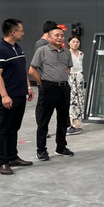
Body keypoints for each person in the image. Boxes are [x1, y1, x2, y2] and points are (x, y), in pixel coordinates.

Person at [0, 19, 34, 175]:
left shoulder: (17, 48)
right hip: (8, 97)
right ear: (13, 32)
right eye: (21, 31)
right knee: (4, 129)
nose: (23, 33)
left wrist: (28, 87)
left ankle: (12, 157)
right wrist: (4, 96)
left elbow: (21, 69)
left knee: (14, 127)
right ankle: (2, 162)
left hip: (20, 94)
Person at [29, 25, 74, 160]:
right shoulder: (42, 51)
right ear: (48, 37)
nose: (60, 38)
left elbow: (68, 69)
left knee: (63, 119)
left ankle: (61, 147)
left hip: (64, 88)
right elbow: (32, 70)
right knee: (44, 120)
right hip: (48, 88)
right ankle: (41, 150)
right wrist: (42, 84)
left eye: (62, 35)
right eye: (56, 35)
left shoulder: (66, 52)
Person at [34, 20, 59, 138]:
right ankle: (42, 129)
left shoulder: (46, 44)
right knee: (43, 105)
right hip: (45, 80)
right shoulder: (42, 44)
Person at [67, 36, 85, 135]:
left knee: (79, 99)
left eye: (77, 42)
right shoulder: (67, 53)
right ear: (69, 43)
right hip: (71, 77)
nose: (75, 44)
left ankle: (77, 119)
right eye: (73, 42)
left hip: (79, 78)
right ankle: (71, 121)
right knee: (72, 99)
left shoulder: (81, 54)